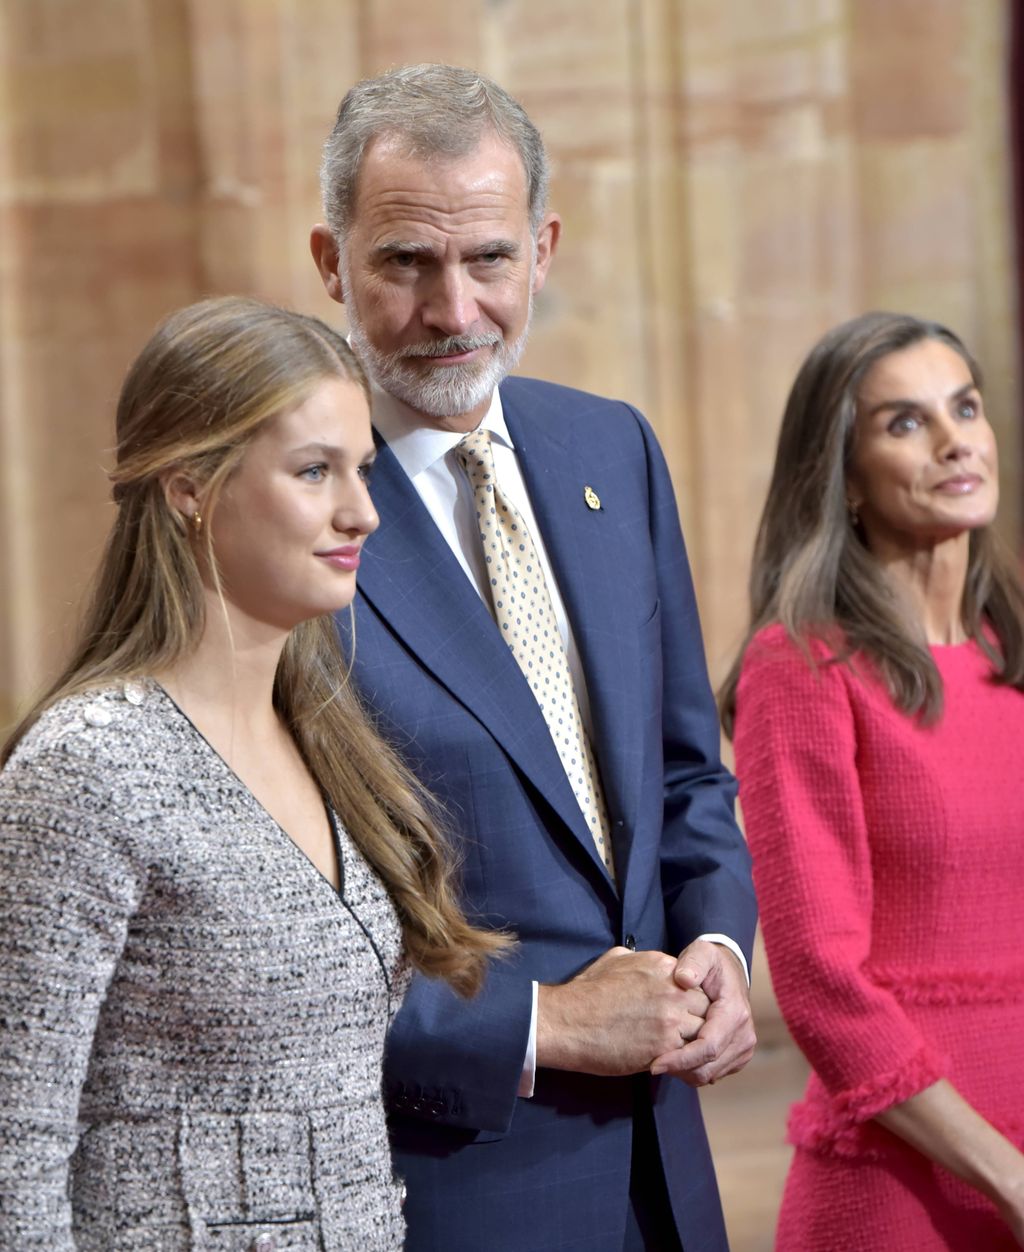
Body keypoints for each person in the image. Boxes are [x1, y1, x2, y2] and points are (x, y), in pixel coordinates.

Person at [309, 64, 758, 1252]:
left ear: (542, 247)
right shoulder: (290, 516)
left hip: (668, 1165)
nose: (454, 310)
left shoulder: (609, 444)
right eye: (405, 261)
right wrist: (541, 1022)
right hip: (455, 1186)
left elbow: (683, 776)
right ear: (330, 263)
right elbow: (268, 940)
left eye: (490, 259)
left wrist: (716, 945)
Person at [0, 295, 508, 1251]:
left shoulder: (325, 734)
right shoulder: (87, 767)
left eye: (360, 468)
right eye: (314, 471)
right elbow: (13, 1153)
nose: (362, 510)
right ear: (190, 485)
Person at [721, 312, 1024, 1249]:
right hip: (906, 1193)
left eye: (963, 408)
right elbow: (818, 981)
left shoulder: (1006, 658)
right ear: (844, 478)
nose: (953, 441)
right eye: (904, 423)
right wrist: (1012, 1180)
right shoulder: (803, 669)